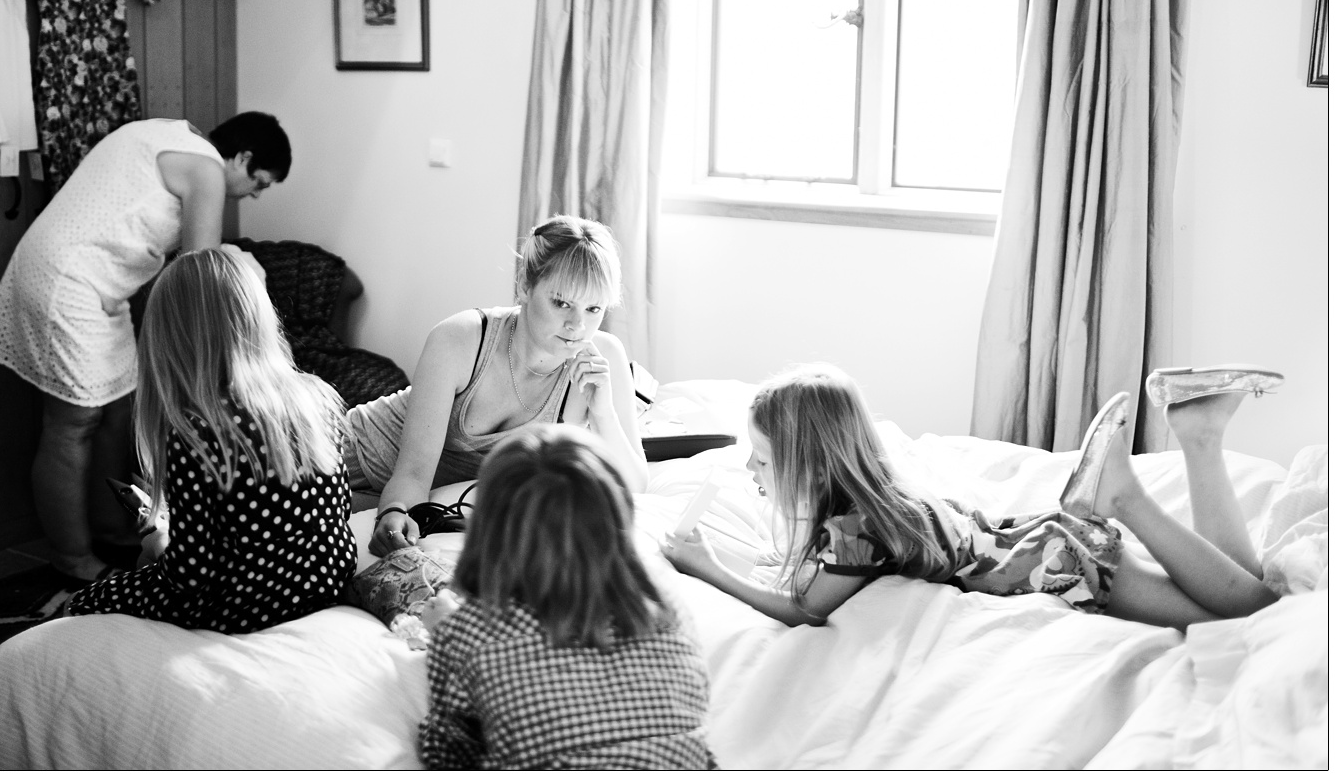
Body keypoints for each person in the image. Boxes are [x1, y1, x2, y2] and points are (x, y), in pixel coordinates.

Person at [663, 363, 1281, 632]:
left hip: (1054, 567)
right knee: (1242, 590)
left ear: (811, 463)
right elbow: (804, 580)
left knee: (1251, 614)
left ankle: (1125, 498)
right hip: (1047, 545)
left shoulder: (854, 530)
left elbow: (804, 611)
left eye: (765, 459)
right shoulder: (877, 499)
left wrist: (708, 567)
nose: (749, 467)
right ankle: (1200, 436)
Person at [0, 112, 291, 582]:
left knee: (121, 412)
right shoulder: (205, 168)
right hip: (70, 278)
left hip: (100, 285)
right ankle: (71, 556)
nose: (255, 194)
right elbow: (198, 271)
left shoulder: (168, 132)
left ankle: (115, 533)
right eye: (259, 182)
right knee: (73, 421)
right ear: (242, 158)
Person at [66, 247, 357, 632]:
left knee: (85, 601)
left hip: (244, 604)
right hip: (326, 582)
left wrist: (139, 563)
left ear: (170, 338)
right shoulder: (315, 395)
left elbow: (188, 578)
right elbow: (330, 513)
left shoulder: (194, 433)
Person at [417, 425, 716, 770]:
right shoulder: (663, 597)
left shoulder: (467, 632)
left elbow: (449, 753)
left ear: (490, 528)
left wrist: (446, 634)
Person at [353, 215, 646, 558]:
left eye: (593, 308)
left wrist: (603, 413)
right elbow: (414, 473)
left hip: (423, 499)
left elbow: (635, 487)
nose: (577, 325)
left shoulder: (604, 358)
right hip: (354, 459)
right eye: (561, 303)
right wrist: (395, 512)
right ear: (525, 285)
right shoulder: (460, 339)